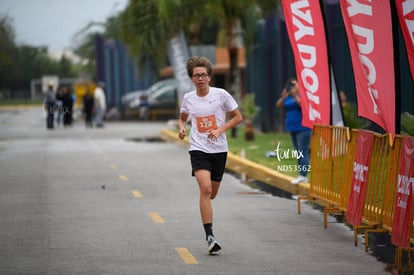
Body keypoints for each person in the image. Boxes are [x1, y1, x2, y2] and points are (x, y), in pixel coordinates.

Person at [178, 56, 243, 254]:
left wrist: (220, 130)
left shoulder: (221, 95)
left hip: (219, 150)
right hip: (198, 148)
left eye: (203, 75)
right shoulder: (188, 98)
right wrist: (182, 129)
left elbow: (238, 117)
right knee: (205, 189)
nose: (200, 79)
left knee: (212, 193)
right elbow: (182, 119)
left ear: (209, 77)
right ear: (191, 78)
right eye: (196, 75)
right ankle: (210, 237)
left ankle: (209, 228)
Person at [276, 78, 312, 184]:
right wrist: (283, 97)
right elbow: (278, 105)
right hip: (292, 127)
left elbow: (303, 106)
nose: (292, 87)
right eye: (290, 85)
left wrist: (295, 95)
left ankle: (303, 175)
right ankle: (301, 174)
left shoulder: (302, 96)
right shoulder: (288, 97)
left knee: (302, 151)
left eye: (294, 84)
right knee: (298, 152)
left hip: (303, 127)